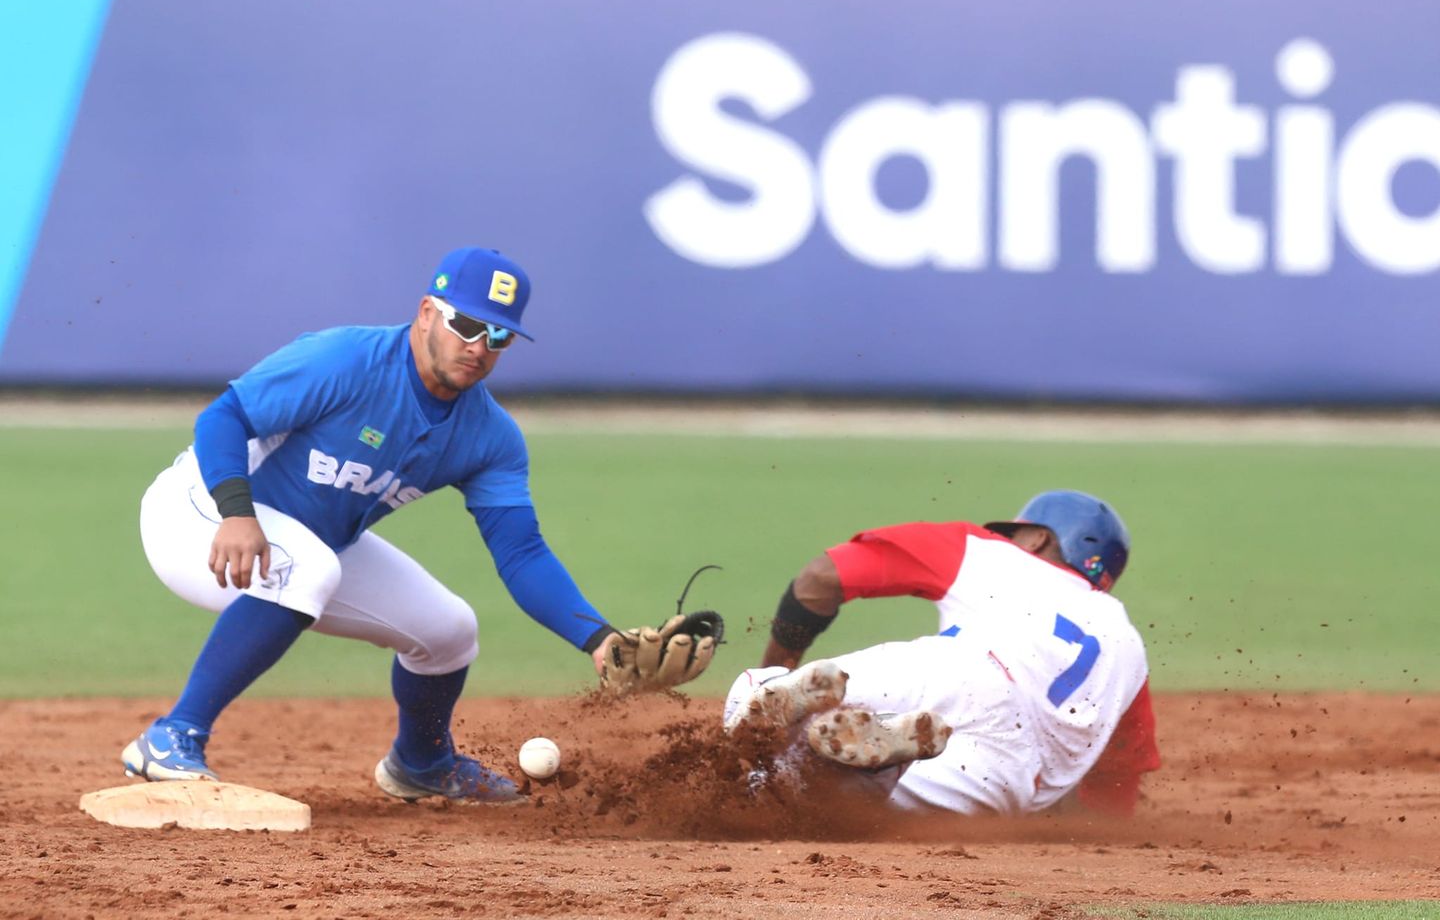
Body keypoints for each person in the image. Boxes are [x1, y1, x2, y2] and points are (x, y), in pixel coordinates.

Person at [124, 246, 716, 803]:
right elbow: (224, 416)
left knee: (449, 630)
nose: (479, 345)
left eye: (498, 334)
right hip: (199, 513)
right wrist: (236, 511)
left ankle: (421, 764)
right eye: (467, 324)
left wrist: (598, 639)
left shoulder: (490, 436)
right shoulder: (346, 360)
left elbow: (522, 552)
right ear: (427, 312)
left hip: (309, 546)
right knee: (307, 567)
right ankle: (174, 735)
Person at [723, 490, 1160, 817]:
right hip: (1006, 772)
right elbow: (1113, 786)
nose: (1001, 536)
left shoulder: (987, 552)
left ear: (1037, 539)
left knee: (752, 698)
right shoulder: (1127, 645)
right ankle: (883, 760)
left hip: (953, 670)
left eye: (1013, 531)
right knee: (842, 809)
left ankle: (781, 692)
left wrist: (782, 661)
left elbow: (819, 579)